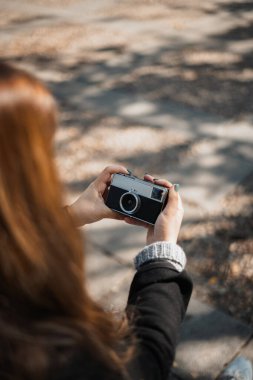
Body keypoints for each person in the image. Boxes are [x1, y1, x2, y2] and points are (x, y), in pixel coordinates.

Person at [0, 62, 250, 380]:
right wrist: (161, 255)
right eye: (44, 151)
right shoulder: (37, 349)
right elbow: (143, 366)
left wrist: (73, 215)